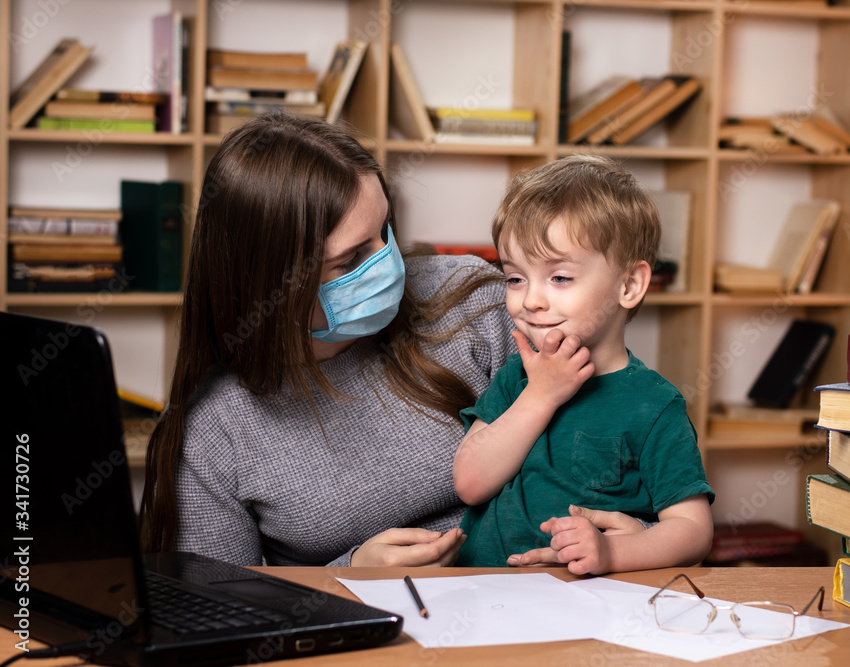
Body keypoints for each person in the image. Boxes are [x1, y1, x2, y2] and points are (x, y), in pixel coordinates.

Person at [139, 114, 640, 567]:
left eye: (385, 231)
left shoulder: (478, 302)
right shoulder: (213, 430)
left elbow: (623, 445)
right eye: (352, 259)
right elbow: (220, 614)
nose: (388, 264)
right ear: (269, 283)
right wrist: (351, 575)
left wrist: (636, 536)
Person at [452, 154, 715, 575]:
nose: (531, 300)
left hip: (587, 606)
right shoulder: (517, 376)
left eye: (559, 278)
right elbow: (470, 483)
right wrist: (540, 395)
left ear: (629, 285)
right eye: (515, 278)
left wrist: (613, 554)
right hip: (484, 594)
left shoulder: (654, 404)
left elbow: (693, 530)